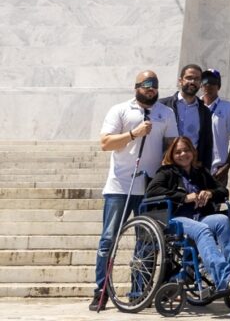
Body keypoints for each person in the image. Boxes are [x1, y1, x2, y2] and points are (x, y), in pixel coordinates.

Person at [90, 70, 178, 311]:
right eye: (146, 85)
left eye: (155, 85)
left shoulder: (166, 112)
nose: (151, 89)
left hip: (150, 188)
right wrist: (133, 134)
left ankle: (139, 291)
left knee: (147, 242)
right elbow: (105, 143)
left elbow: (172, 147)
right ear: (136, 86)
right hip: (120, 186)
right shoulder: (120, 110)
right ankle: (101, 290)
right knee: (109, 239)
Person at [145, 137, 230, 292]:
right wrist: (183, 197)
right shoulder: (166, 172)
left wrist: (209, 193)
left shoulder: (200, 172)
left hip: (201, 216)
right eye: (178, 152)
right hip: (177, 218)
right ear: (172, 155)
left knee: (222, 220)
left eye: (186, 150)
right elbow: (152, 191)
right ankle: (224, 278)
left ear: (193, 152)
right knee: (202, 229)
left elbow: (223, 191)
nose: (183, 154)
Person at [159, 64, 214, 171]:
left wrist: (205, 171)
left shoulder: (205, 111)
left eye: (197, 79)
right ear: (180, 80)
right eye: (189, 78)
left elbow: (207, 144)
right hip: (165, 166)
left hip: (191, 168)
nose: (192, 82)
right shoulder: (163, 106)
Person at [200, 68, 230, 185]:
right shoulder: (195, 105)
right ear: (201, 85)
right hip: (194, 166)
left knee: (214, 203)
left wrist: (227, 165)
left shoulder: (228, 108)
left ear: (219, 86)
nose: (209, 85)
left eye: (213, 82)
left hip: (217, 168)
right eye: (205, 82)